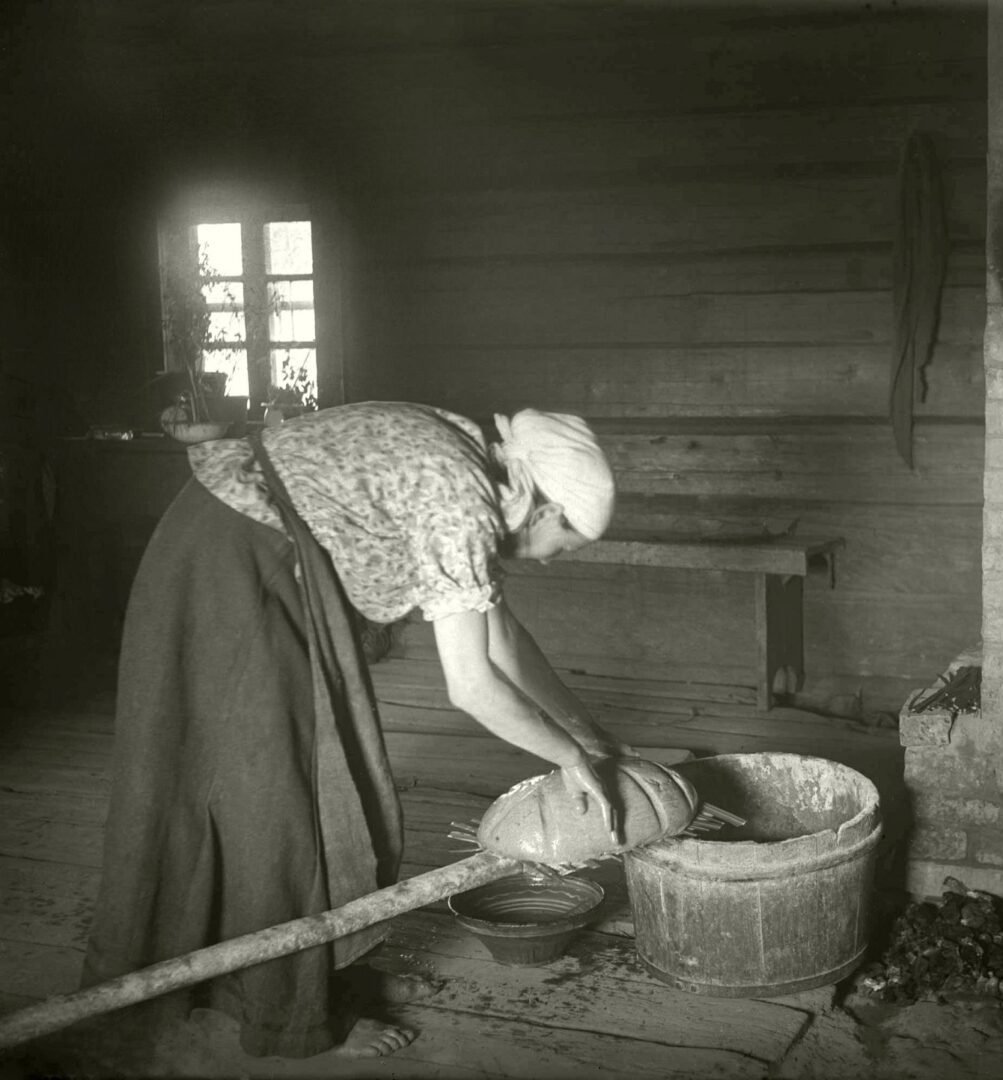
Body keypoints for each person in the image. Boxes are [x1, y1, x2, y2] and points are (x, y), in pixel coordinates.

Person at [81, 401, 628, 1059]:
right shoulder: (461, 496)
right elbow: (473, 687)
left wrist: (582, 730)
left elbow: (502, 636)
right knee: (279, 798)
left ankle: (320, 972)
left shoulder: (474, 459)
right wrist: (568, 757)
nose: (547, 561)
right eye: (561, 547)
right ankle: (292, 1016)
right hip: (234, 562)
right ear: (544, 510)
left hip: (260, 547)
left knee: (338, 780)